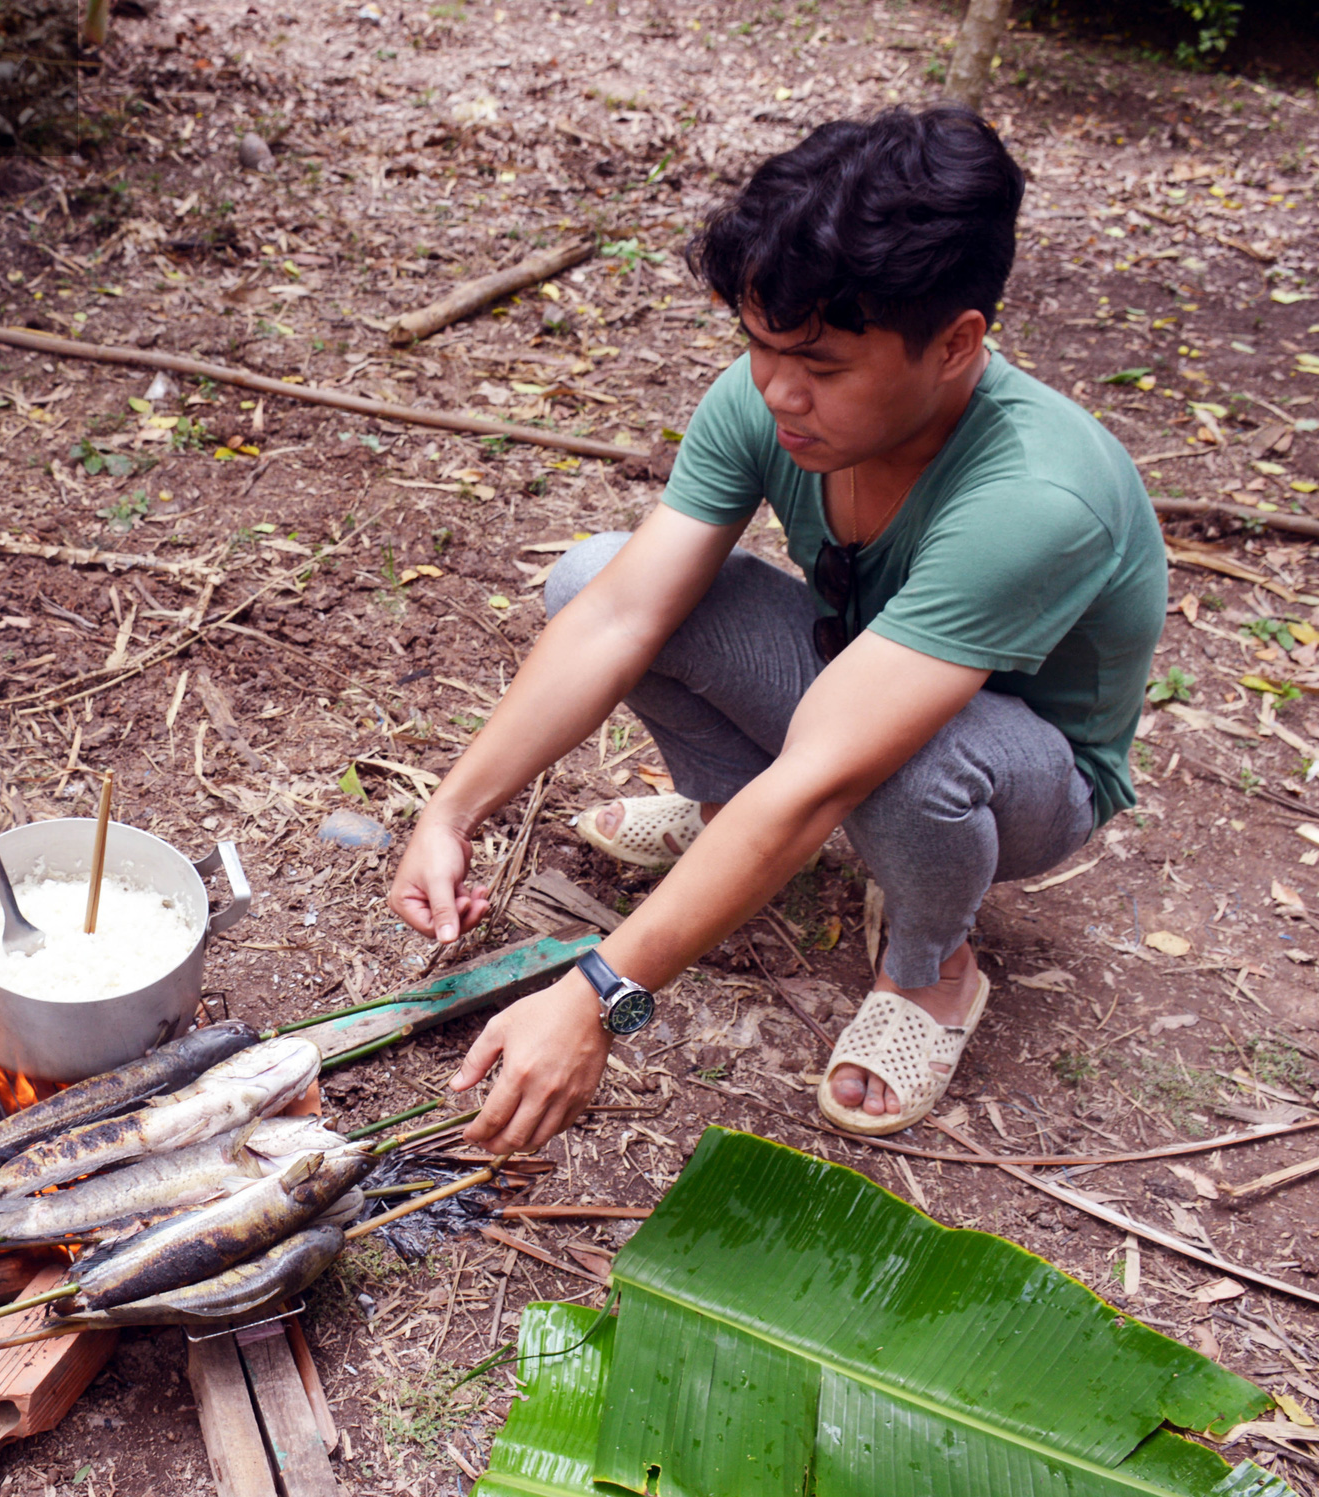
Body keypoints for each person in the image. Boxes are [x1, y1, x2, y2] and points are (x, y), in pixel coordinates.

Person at [386, 106, 1165, 1148]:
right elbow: (621, 612)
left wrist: (597, 997)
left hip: (1022, 776)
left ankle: (931, 968)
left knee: (906, 762)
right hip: (864, 685)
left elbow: (826, 771)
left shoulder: (1033, 496)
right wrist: (451, 810)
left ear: (955, 343)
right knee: (588, 578)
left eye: (823, 366)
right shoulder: (770, 397)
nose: (776, 391)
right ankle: (728, 825)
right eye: (756, 346)